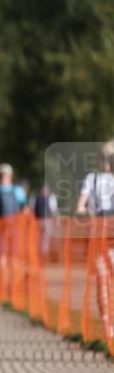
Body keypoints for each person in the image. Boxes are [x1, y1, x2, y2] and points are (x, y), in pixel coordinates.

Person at [74, 141, 114, 333]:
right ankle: (107, 320)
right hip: (98, 233)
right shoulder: (92, 179)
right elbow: (80, 205)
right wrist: (83, 211)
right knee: (102, 275)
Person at [0, 163, 28, 298]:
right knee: (1, 257)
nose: (5, 177)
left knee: (14, 257)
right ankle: (3, 283)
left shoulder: (18, 191)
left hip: (15, 229)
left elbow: (24, 208)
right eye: (3, 175)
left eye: (7, 175)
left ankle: (14, 284)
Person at [32, 183, 58, 258]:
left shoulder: (51, 197)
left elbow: (53, 210)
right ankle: (37, 253)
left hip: (47, 220)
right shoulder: (36, 197)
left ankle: (43, 254)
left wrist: (53, 220)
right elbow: (33, 209)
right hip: (38, 220)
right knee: (38, 238)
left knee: (45, 238)